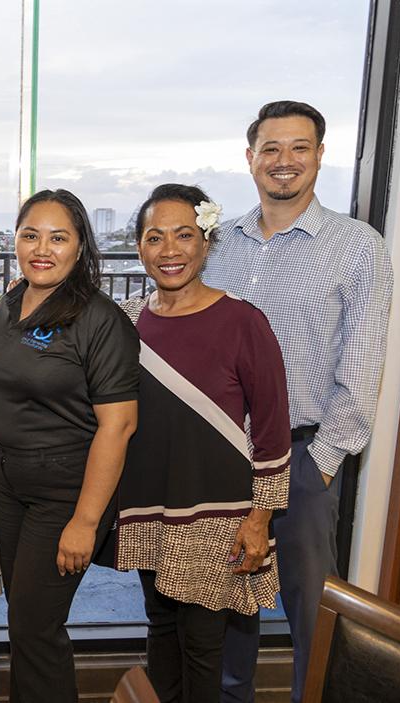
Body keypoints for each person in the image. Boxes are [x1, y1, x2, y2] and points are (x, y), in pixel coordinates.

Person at [202, 101, 394, 703]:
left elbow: (362, 366)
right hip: (225, 453)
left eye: (299, 148)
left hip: (304, 454)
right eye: (271, 149)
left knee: (312, 611)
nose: (284, 161)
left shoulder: (357, 247)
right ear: (250, 157)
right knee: (230, 608)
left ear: (319, 155)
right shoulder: (220, 242)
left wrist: (322, 464)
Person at [116, 184, 290, 703]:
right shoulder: (127, 321)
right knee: (160, 632)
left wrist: (259, 518)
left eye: (184, 235)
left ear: (207, 242)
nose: (170, 250)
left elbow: (272, 427)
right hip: (149, 507)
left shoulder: (243, 320)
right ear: (140, 247)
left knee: (202, 646)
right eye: (155, 237)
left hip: (217, 514)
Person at [0, 189, 139, 703]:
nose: (42, 248)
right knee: (23, 622)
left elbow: (120, 426)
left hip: (64, 492)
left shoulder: (98, 318)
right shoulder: (11, 301)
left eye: (58, 237)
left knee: (35, 627)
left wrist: (85, 522)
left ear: (81, 245)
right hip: (8, 483)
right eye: (30, 235)